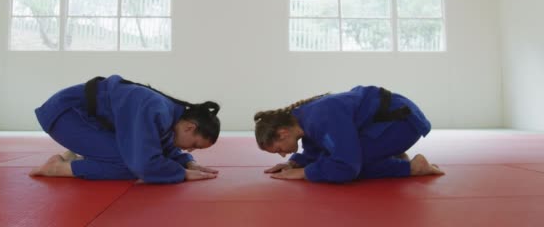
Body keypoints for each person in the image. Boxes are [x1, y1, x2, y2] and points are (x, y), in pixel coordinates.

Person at [29, 74, 220, 183]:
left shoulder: (170, 115)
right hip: (66, 115)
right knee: (129, 165)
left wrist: (188, 163)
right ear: (189, 127)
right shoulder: (156, 110)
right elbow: (142, 166)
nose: (190, 149)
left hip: (82, 118)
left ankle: (79, 153)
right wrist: (182, 174)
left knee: (142, 156)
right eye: (195, 144)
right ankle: (59, 168)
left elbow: (161, 146)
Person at [254, 86, 444, 183]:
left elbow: (347, 166)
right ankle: (391, 155)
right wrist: (294, 163)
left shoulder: (320, 118)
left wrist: (304, 172)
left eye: (279, 149)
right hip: (385, 123)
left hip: (402, 124)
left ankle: (412, 168)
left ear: (282, 132)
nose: (282, 154)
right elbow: (317, 146)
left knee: (347, 166)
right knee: (331, 159)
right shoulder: (303, 119)